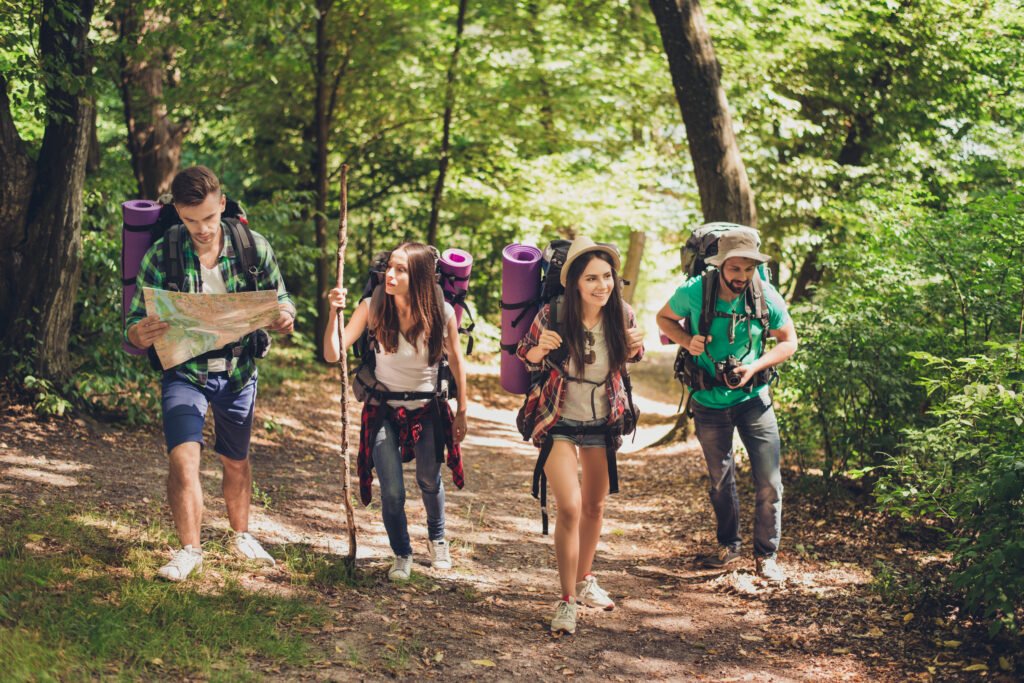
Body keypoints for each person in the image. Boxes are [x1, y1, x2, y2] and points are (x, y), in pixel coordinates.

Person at [125, 165, 296, 581]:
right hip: (184, 372)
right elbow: (131, 324)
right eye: (189, 220)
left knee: (235, 461)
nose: (201, 229)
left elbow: (284, 299)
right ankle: (189, 549)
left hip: (238, 372)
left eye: (208, 217)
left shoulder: (253, 247)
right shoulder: (162, 254)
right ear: (178, 214)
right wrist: (140, 332)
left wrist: (284, 316)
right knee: (184, 461)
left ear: (221, 203)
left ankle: (242, 536)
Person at [516, 236, 645, 636]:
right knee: (569, 508)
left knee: (594, 507)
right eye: (592, 278)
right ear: (574, 281)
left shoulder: (622, 314)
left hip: (604, 424)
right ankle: (566, 599)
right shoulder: (552, 314)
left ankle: (586, 578)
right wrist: (539, 350)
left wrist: (638, 348)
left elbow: (631, 357)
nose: (601, 286)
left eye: (607, 277)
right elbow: (524, 352)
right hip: (559, 422)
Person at [655, 229, 798, 582]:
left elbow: (789, 341)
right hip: (708, 402)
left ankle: (767, 556)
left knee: (769, 481)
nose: (741, 277)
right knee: (721, 481)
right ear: (720, 266)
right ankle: (728, 545)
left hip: (754, 400)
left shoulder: (765, 294)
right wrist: (689, 341)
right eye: (735, 269)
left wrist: (755, 367)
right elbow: (663, 319)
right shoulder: (696, 291)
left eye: (748, 269)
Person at [324, 242, 468, 581]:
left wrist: (462, 410)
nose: (390, 274)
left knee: (428, 480)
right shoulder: (372, 306)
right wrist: (334, 313)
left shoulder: (441, 312)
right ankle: (402, 553)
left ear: (418, 276)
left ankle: (437, 538)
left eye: (400, 269)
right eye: (389, 267)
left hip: (428, 408)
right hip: (384, 410)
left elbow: (458, 362)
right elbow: (333, 353)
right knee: (391, 491)